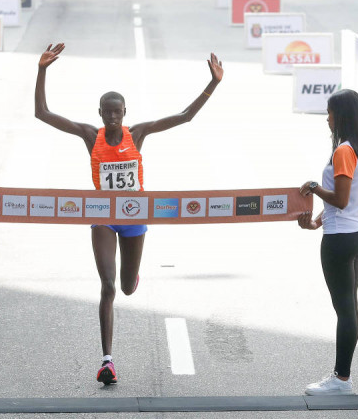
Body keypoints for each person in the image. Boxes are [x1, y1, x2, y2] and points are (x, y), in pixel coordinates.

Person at [34, 43, 223, 384]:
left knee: (126, 286)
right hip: (103, 215)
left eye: (117, 112)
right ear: (100, 113)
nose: (112, 118)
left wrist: (213, 84)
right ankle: (107, 361)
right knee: (108, 287)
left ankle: (132, 277)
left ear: (125, 111)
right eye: (107, 113)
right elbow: (42, 114)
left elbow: (184, 117)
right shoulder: (91, 136)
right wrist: (42, 69)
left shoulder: (138, 134)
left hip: (135, 214)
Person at [297, 89, 358, 396]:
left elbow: (341, 200)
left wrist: (314, 187)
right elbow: (351, 199)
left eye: (330, 113)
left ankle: (341, 380)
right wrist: (316, 221)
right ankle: (342, 377)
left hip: (341, 239)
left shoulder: (344, 151)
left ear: (341, 115)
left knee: (344, 310)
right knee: (349, 308)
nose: (327, 119)